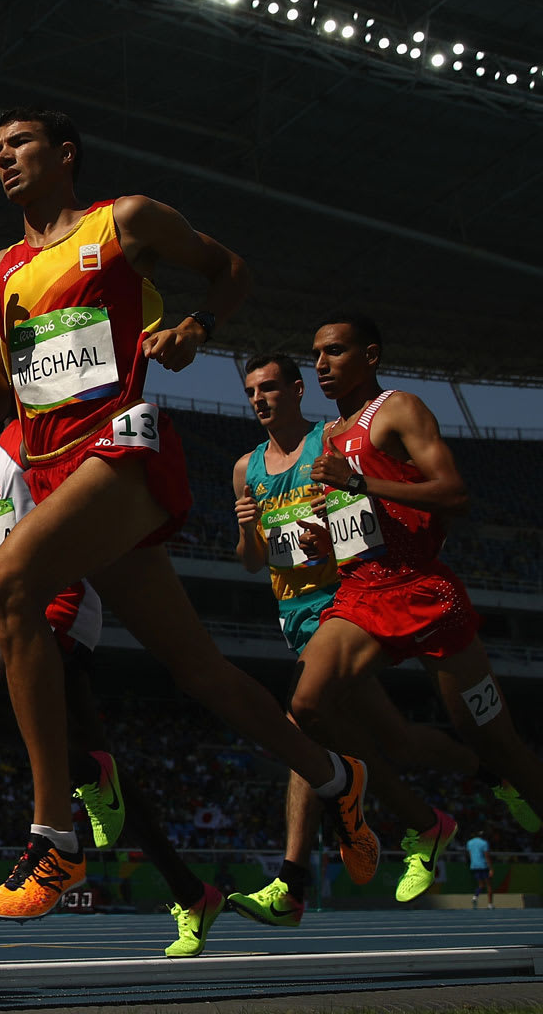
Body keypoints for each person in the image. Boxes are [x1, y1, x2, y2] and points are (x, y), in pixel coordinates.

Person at [0, 107, 367, 920]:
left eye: (20, 144)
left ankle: (56, 841)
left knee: (5, 590)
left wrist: (197, 325)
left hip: (122, 448)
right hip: (57, 468)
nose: (3, 159)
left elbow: (230, 269)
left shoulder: (123, 222)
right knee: (200, 670)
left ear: (64, 154)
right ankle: (336, 777)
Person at [233, 317, 543, 924]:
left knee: (497, 742)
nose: (322, 364)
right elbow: (354, 526)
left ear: (370, 356)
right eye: (316, 354)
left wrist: (359, 482)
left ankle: (466, 792)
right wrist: (325, 528)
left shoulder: (397, 409)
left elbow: (454, 493)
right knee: (307, 707)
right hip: (364, 591)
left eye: (336, 352)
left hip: (428, 594)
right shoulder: (333, 434)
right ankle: (393, 822)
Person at [0, 428, 221, 956]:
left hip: (57, 599)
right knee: (106, 783)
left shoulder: (29, 436)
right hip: (20, 610)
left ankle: (92, 777)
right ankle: (191, 892)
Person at [467, 830, 492, 908]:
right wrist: (491, 868)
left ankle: (475, 897)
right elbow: (486, 856)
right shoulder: (484, 843)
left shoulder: (469, 842)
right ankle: (490, 904)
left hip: (474, 866)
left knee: (481, 885)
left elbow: (470, 855)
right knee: (489, 885)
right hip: (483, 866)